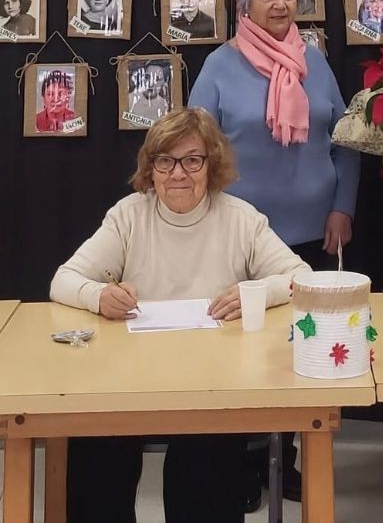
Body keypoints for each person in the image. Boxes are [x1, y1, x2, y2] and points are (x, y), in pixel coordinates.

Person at [50, 107, 311, 523]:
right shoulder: (129, 215)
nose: (178, 174)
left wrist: (256, 292)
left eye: (192, 160)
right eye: (165, 161)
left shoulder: (241, 218)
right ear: (150, 168)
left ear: (211, 164)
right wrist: (99, 296)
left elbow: (303, 278)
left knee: (207, 460)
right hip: (130, 382)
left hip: (212, 384)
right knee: (95, 447)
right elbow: (63, 280)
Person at [189, 0, 360, 508]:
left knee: (297, 347)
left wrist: (343, 207)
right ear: (245, 4)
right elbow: (195, 147)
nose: (281, 4)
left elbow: (346, 141)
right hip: (238, 235)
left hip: (313, 231)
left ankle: (285, 458)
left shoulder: (315, 61)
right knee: (242, 350)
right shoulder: (220, 64)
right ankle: (240, 463)